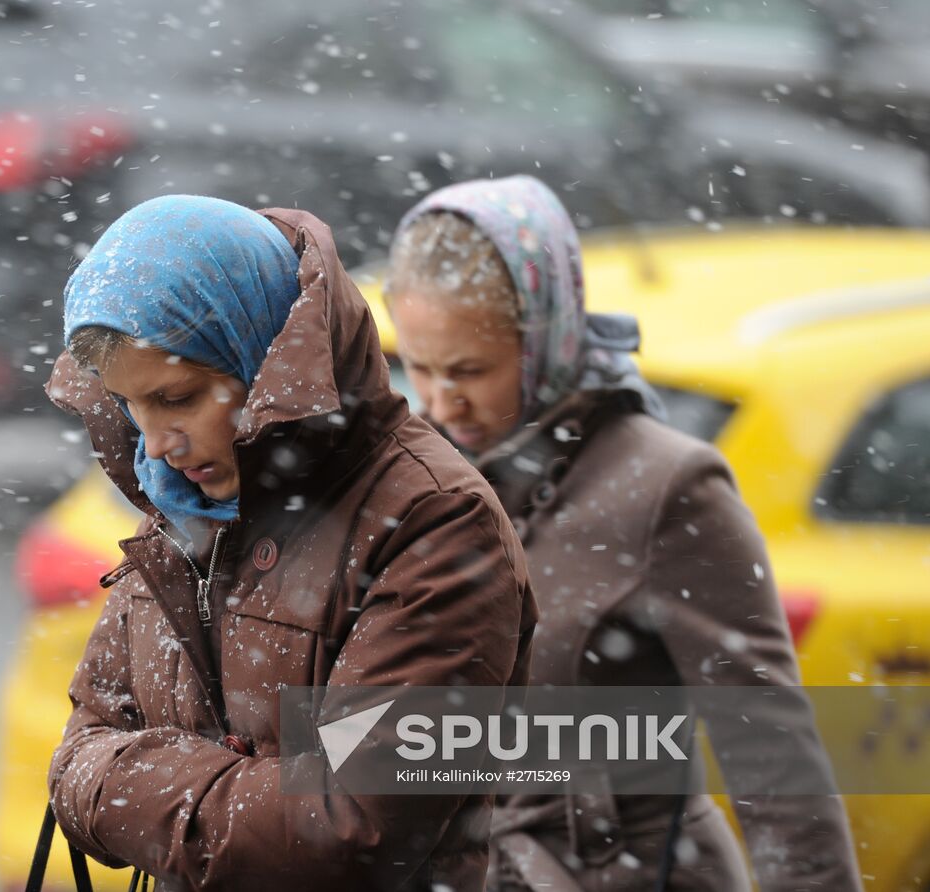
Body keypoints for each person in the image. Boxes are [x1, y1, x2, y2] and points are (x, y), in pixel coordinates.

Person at [43, 194, 537, 892]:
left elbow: (345, 827)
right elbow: (82, 742)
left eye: (179, 397)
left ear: (263, 359)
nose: (156, 444)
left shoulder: (435, 519)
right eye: (131, 406)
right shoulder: (186, 505)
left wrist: (127, 783)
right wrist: (204, 792)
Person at [384, 175, 861, 891]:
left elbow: (770, 748)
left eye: (470, 369)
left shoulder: (666, 485)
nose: (440, 398)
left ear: (546, 336)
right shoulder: (420, 480)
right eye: (416, 367)